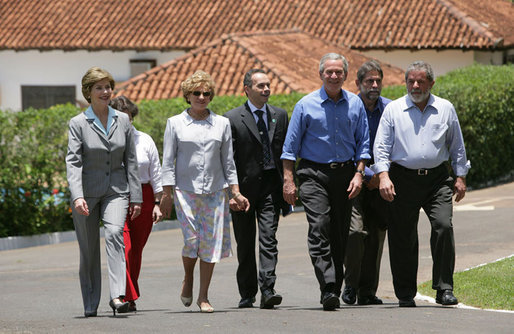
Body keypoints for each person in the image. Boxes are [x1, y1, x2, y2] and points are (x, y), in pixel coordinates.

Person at [373, 61, 470, 307]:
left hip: (437, 179)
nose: (415, 86)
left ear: (431, 83)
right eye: (411, 81)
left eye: (421, 81)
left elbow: (456, 145)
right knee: (402, 236)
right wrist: (383, 175)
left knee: (443, 226)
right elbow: (381, 147)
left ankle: (444, 288)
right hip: (401, 179)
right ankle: (405, 293)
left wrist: (460, 176)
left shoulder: (445, 108)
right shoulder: (393, 110)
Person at [281, 53, 371, 311]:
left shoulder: (355, 104)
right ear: (321, 74)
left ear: (345, 75)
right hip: (313, 174)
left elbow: (363, 144)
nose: (333, 76)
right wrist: (289, 181)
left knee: (340, 233)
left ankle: (334, 287)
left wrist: (358, 173)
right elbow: (290, 149)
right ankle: (328, 286)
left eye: (338, 72)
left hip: (345, 174)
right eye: (329, 72)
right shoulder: (305, 105)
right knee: (320, 224)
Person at [160, 70, 250, 313]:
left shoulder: (221, 124)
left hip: (214, 191)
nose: (202, 97)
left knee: (210, 244)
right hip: (184, 191)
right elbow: (167, 161)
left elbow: (228, 161)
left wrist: (235, 192)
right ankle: (188, 278)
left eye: (206, 93)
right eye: (196, 93)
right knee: (192, 241)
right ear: (187, 95)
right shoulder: (174, 123)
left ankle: (204, 296)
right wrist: (165, 194)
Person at [66, 67, 142, 317]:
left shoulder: (122, 120)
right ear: (88, 92)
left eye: (108, 86)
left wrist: (136, 196)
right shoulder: (78, 123)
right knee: (88, 249)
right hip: (86, 193)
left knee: (113, 234)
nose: (105, 91)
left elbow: (131, 160)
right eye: (99, 87)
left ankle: (118, 296)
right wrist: (77, 196)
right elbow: (74, 162)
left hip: (116, 190)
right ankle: (90, 301)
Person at [224, 69, 290, 309]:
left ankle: (268, 288)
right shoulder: (232, 118)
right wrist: (232, 193)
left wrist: (288, 183)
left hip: (271, 188)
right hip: (242, 191)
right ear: (247, 90)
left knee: (268, 239)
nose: (266, 90)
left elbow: (286, 151)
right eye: (260, 86)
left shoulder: (280, 115)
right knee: (245, 241)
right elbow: (227, 159)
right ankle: (247, 292)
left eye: (268, 85)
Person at [342, 61, 391, 306]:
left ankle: (368, 291)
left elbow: (396, 146)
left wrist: (381, 175)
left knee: (376, 235)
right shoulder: (349, 107)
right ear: (358, 84)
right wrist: (368, 174)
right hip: (356, 179)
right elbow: (343, 145)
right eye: (369, 81)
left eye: (377, 81)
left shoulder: (390, 109)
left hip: (382, 181)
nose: (374, 85)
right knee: (355, 232)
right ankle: (350, 285)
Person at [110, 96, 163, 312]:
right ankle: (123, 295)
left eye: (128, 117)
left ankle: (128, 296)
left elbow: (156, 173)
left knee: (136, 250)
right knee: (124, 246)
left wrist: (159, 203)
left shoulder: (145, 140)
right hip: (115, 195)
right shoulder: (107, 141)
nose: (125, 121)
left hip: (145, 195)